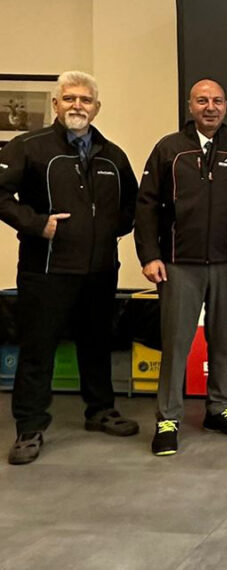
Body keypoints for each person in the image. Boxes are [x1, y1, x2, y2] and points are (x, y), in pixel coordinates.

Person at [0, 71, 139, 465]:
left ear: (97, 107)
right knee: (38, 349)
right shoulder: (29, 146)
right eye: (70, 98)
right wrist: (35, 223)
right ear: (56, 104)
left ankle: (101, 410)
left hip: (100, 270)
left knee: (96, 343)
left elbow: (132, 203)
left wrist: (111, 228)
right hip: (46, 270)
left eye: (86, 99)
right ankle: (29, 427)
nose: (78, 105)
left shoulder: (113, 155)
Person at [135, 78, 227, 457]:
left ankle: (219, 409)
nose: (210, 107)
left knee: (222, 341)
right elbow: (146, 205)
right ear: (190, 106)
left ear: (226, 106)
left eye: (217, 101)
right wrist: (150, 255)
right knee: (175, 344)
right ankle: (168, 418)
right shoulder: (169, 150)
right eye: (202, 101)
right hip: (178, 265)